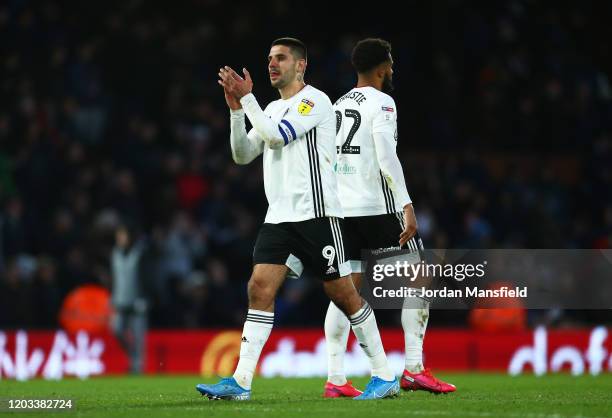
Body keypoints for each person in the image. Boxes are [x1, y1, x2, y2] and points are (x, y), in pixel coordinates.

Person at [195, 37, 398, 401]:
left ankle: (384, 374)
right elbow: (242, 155)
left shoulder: (315, 102)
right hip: (280, 218)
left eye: (281, 58)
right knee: (259, 289)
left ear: (300, 65)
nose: (272, 64)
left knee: (343, 294)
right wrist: (236, 112)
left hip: (316, 215)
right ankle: (241, 382)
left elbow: (274, 139)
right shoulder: (269, 108)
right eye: (269, 58)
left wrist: (248, 100)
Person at [323, 38, 456, 397]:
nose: (393, 69)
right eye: (391, 63)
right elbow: (386, 156)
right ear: (382, 67)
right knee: (421, 273)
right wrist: (407, 204)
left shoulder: (338, 104)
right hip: (378, 208)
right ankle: (414, 368)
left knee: (346, 290)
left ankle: (335, 378)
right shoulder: (383, 103)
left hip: (342, 210)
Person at [110, 224, 148, 374]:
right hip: (120, 301)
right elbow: (114, 277)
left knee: (138, 337)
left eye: (123, 235)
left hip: (137, 302)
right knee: (116, 330)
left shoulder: (139, 253)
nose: (120, 239)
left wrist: (145, 297)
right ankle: (133, 358)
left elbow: (146, 277)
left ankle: (137, 367)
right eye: (118, 236)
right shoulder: (115, 254)